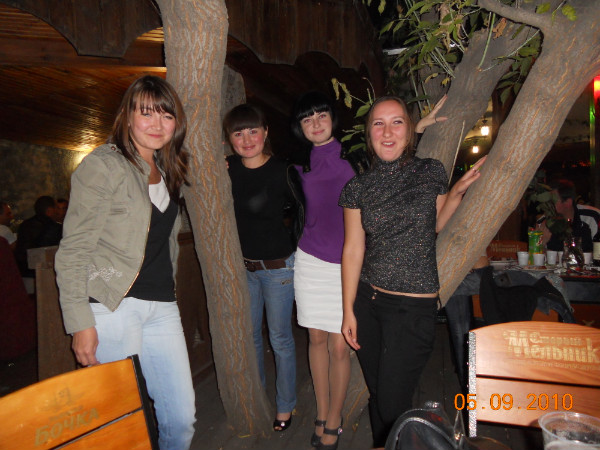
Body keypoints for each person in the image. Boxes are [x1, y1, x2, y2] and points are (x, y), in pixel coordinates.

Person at [55, 75, 196, 450]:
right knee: (123, 425)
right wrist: (79, 321)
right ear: (127, 116)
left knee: (181, 421)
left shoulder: (168, 169)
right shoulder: (104, 165)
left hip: (162, 305)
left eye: (166, 115)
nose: (157, 124)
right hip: (112, 306)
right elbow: (73, 249)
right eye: (146, 113)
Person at [339, 96, 485, 447]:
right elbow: (353, 249)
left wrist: (455, 194)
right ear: (369, 133)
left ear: (409, 131)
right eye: (378, 124)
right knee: (380, 396)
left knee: (393, 404)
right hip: (368, 303)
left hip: (412, 308)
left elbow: (434, 225)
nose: (387, 132)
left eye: (397, 122)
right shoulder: (357, 187)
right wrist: (347, 310)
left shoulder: (430, 171)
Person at [223, 103, 303, 432]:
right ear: (229, 139)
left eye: (253, 131)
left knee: (280, 339)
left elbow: (303, 211)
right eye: (238, 133)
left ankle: (285, 405)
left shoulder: (282, 170)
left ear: (265, 132)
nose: (247, 140)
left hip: (278, 269)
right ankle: (257, 397)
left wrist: (298, 248)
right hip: (244, 270)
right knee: (251, 337)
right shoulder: (227, 168)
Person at [289, 91, 356, 450]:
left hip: (347, 264)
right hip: (310, 260)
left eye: (321, 115)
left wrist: (417, 128)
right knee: (315, 338)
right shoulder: (297, 164)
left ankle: (335, 418)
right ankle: (321, 410)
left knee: (339, 346)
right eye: (307, 118)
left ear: (333, 118)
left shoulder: (355, 157)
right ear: (300, 127)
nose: (315, 123)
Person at [542, 179, 600, 252]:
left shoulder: (592, 216)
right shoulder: (543, 222)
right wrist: (541, 244)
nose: (547, 205)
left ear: (568, 202)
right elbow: (536, 256)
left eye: (552, 201)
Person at [15, 196, 62, 277]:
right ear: (49, 211)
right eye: (57, 208)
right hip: (46, 274)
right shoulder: (55, 228)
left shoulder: (24, 225)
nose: (58, 212)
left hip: (24, 273)